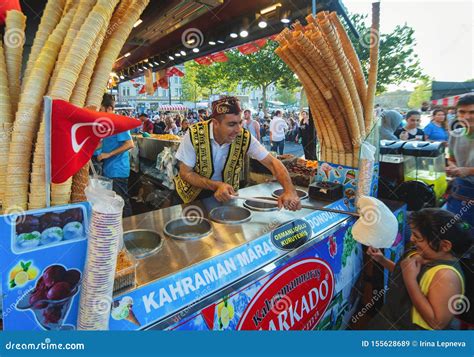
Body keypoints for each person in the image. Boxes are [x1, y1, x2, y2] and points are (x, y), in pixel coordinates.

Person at [173, 96, 301, 210]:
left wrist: (290, 190)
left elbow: (272, 162)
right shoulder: (194, 133)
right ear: (215, 123)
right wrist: (216, 186)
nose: (238, 129)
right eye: (232, 124)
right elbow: (185, 172)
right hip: (192, 196)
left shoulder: (244, 136)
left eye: (240, 122)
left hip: (227, 194)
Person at [367, 208, 472, 330]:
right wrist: (382, 260)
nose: (411, 239)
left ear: (445, 245)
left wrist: (410, 281)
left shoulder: (446, 276)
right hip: (387, 319)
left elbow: (437, 323)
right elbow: (404, 271)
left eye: (417, 236)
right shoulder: (421, 252)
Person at [96, 94, 134, 217]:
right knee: (113, 203)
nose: (99, 113)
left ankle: (128, 230)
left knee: (122, 202)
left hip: (118, 170)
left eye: (101, 110)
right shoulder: (108, 124)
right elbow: (104, 143)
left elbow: (129, 144)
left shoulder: (119, 122)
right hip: (109, 170)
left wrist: (108, 154)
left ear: (109, 108)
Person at [446, 94, 474, 228]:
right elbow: (451, 159)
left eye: (472, 112)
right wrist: (453, 168)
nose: (467, 117)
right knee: (459, 231)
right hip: (461, 191)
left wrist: (468, 170)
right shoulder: (454, 134)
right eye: (462, 112)